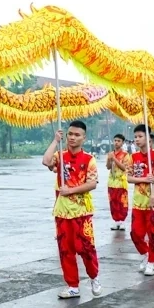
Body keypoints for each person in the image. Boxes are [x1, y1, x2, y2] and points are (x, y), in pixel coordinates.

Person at [42, 120, 100, 298]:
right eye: (70, 134)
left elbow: (92, 184)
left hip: (81, 211)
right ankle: (72, 285)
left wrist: (71, 190)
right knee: (65, 249)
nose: (73, 138)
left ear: (84, 138)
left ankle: (94, 276)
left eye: (77, 135)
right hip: (62, 211)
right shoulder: (60, 156)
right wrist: (55, 141)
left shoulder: (89, 160)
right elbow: (46, 161)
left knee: (85, 248)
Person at [127, 124, 154, 276]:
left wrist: (152, 196)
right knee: (135, 233)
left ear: (149, 138)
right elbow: (129, 178)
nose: (137, 139)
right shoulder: (133, 157)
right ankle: (145, 254)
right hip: (138, 201)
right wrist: (143, 178)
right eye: (135, 137)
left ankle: (152, 262)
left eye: (140, 136)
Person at [105, 133, 129, 231]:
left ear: (122, 142)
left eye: (118, 141)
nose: (116, 143)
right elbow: (108, 167)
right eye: (115, 140)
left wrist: (114, 159)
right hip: (112, 182)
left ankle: (122, 221)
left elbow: (124, 168)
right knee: (113, 202)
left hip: (121, 182)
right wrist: (110, 160)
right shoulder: (111, 153)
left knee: (122, 202)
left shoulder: (126, 155)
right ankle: (116, 221)